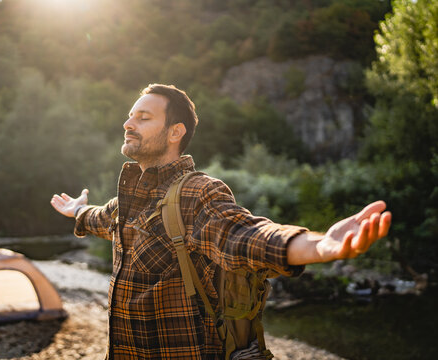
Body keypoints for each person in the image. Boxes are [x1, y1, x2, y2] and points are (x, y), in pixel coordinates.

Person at [50, 84, 392, 360]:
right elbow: (103, 220)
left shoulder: (197, 192)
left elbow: (244, 235)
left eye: (143, 117)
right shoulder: (129, 199)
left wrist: (320, 246)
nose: (128, 123)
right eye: (130, 116)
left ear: (175, 132)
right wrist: (77, 211)